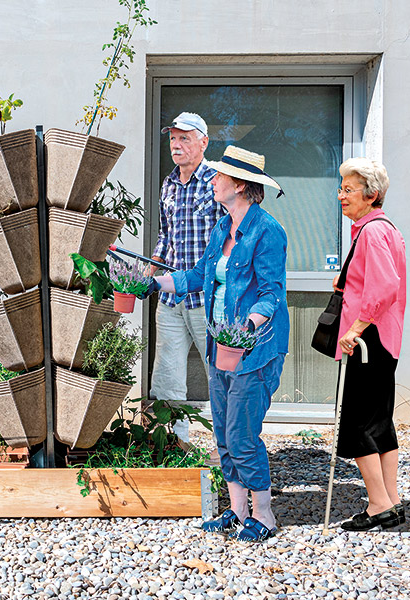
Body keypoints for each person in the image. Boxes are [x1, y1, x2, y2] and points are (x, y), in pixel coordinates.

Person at [146, 145, 289, 542]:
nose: (214, 180)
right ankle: (238, 512)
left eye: (221, 176)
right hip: (220, 345)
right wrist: (155, 283)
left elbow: (272, 295)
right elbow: (197, 275)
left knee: (242, 434)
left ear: (240, 185)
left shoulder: (267, 231)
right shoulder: (221, 229)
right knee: (224, 434)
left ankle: (265, 515)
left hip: (255, 349)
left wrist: (244, 328)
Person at [333, 158, 407, 531]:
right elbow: (376, 281)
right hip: (384, 338)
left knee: (360, 422)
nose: (341, 195)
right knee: (379, 421)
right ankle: (391, 501)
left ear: (371, 194)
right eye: (341, 187)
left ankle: (377, 504)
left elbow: (384, 287)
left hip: (368, 339)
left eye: (348, 189)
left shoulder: (373, 232)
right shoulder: (382, 229)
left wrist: (355, 328)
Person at [149, 112, 227, 446]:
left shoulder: (216, 182)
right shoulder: (168, 183)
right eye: (172, 139)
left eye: (184, 138)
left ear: (203, 142)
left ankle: (230, 443)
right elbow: (166, 236)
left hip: (205, 297)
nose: (176, 145)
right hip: (170, 297)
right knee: (167, 375)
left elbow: (230, 237)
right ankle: (172, 443)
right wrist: (148, 272)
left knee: (219, 371)